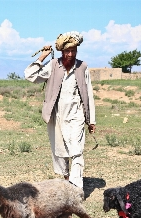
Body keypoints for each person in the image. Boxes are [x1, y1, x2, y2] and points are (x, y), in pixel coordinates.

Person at [24, 31, 96, 190]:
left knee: (77, 151)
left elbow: (89, 94)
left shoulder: (82, 67)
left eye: (73, 50)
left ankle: (76, 189)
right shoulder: (53, 65)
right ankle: (67, 178)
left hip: (76, 116)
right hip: (57, 117)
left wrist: (91, 120)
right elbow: (30, 76)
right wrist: (42, 56)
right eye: (67, 51)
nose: (70, 54)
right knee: (60, 151)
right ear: (62, 51)